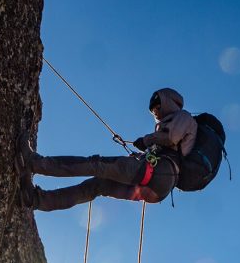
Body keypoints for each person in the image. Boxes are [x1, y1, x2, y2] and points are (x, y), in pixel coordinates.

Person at [17, 88, 198, 210]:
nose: (155, 113)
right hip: (157, 188)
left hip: (157, 173)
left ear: (167, 103)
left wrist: (145, 140)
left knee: (96, 164)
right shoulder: (171, 127)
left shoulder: (184, 117)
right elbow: (165, 148)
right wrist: (142, 152)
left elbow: (170, 138)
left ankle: (32, 162)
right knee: (96, 186)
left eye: (157, 107)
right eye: (153, 111)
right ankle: (33, 199)